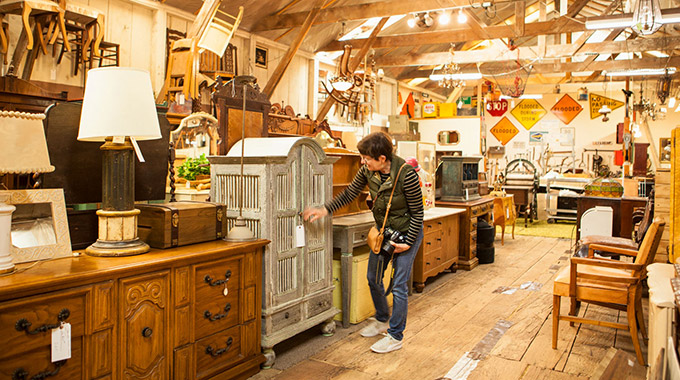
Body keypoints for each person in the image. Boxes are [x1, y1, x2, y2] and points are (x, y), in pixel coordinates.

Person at [303, 132, 424, 354]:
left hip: (407, 233)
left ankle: (395, 336)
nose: (363, 162)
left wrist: (407, 242)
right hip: (383, 232)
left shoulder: (406, 175)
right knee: (373, 278)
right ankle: (382, 319)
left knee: (398, 286)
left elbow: (418, 213)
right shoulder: (368, 171)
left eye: (367, 158)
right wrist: (324, 210)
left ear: (382, 159)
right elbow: (350, 193)